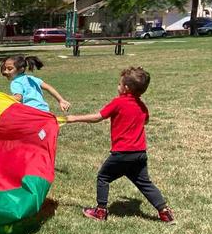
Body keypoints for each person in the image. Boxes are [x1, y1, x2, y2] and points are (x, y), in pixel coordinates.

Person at [66, 66, 175, 223]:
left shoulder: (118, 103)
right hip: (139, 154)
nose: (117, 86)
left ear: (126, 88)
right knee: (145, 183)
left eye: (119, 84)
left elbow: (98, 117)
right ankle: (165, 212)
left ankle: (100, 211)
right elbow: (146, 120)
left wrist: (74, 118)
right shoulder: (142, 106)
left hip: (122, 153)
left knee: (103, 177)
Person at [0, 55, 71, 113]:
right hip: (44, 110)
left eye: (9, 69)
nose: (5, 72)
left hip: (32, 113)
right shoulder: (31, 78)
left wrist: (1, 98)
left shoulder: (16, 82)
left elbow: (18, 98)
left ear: (21, 69)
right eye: (5, 68)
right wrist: (61, 100)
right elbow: (48, 87)